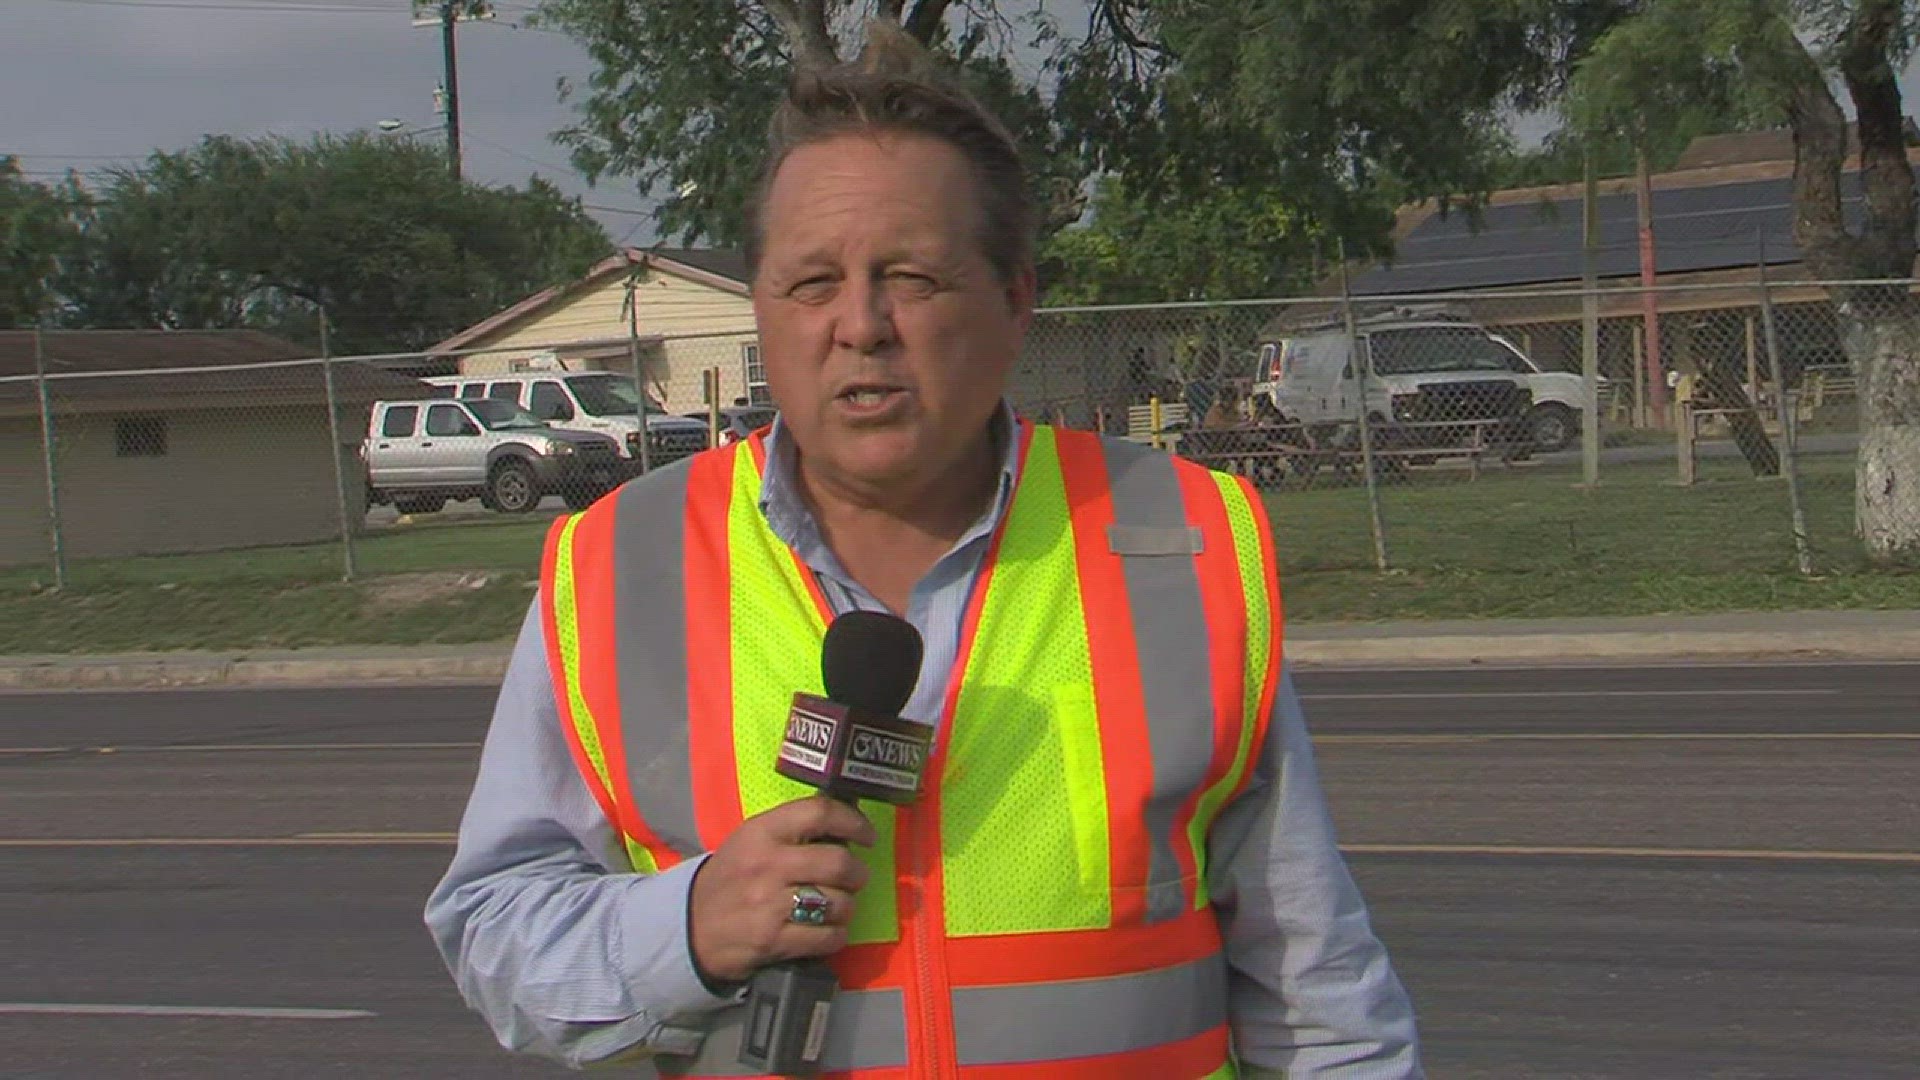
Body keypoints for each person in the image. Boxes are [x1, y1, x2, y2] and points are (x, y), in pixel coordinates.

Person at [425, 19, 1421, 1078]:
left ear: (1015, 299)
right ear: (762, 310)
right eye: (812, 283)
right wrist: (686, 928)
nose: (861, 325)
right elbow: (496, 924)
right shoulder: (618, 568)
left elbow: (1317, 994)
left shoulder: (1177, 546)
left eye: (912, 278)